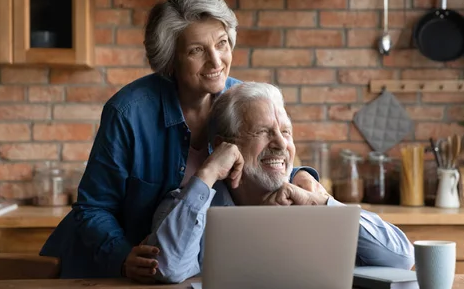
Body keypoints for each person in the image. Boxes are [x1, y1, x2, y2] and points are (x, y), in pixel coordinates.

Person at [38, 0, 317, 282]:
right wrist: (121, 256)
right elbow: (93, 207)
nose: (215, 61)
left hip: (189, 273)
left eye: (222, 44)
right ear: (170, 60)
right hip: (109, 272)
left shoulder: (241, 100)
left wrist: (303, 177)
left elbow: (269, 156)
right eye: (197, 50)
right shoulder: (128, 112)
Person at [147, 82, 415, 284]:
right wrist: (207, 173)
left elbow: (402, 258)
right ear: (223, 146)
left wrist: (321, 203)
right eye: (263, 132)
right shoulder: (187, 206)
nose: (280, 144)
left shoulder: (313, 202)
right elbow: (168, 267)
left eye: (285, 131)